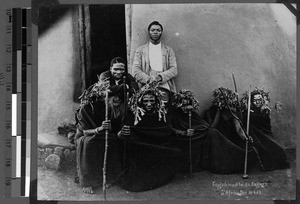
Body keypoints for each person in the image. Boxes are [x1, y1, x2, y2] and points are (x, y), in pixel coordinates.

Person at [116, 84, 184, 192]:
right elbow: (121, 134)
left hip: (158, 145)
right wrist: (121, 133)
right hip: (139, 147)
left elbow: (165, 132)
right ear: (140, 101)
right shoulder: (132, 114)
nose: (148, 104)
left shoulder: (159, 114)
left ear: (156, 101)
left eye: (152, 101)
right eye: (145, 101)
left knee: (176, 152)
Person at [74, 80, 125, 194]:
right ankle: (87, 182)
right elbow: (85, 131)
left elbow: (115, 128)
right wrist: (100, 129)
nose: (102, 98)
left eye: (105, 96)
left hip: (103, 135)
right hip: (85, 136)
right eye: (100, 96)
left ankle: (107, 177)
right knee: (89, 143)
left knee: (113, 141)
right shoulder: (85, 108)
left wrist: (111, 129)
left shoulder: (110, 107)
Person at [202, 87, 256, 174]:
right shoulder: (209, 112)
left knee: (248, 151)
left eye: (225, 100)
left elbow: (238, 128)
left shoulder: (230, 113)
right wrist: (218, 111)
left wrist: (245, 138)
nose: (224, 103)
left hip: (228, 141)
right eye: (222, 100)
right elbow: (212, 128)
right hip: (217, 142)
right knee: (212, 132)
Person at [241, 90, 290, 171]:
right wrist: (250, 114)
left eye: (260, 99)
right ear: (251, 101)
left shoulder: (265, 110)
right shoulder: (248, 112)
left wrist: (264, 114)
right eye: (255, 100)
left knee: (279, 149)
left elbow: (267, 128)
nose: (258, 102)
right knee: (264, 150)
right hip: (255, 136)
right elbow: (247, 126)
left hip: (265, 135)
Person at [168, 89, 209, 173]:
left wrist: (194, 130)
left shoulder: (192, 114)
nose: (184, 105)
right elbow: (169, 127)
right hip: (179, 138)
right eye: (182, 103)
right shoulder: (173, 113)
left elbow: (204, 125)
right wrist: (182, 132)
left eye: (187, 102)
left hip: (193, 137)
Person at [132, 21, 178, 93]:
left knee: (165, 102)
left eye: (158, 30)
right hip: (146, 82)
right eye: (152, 30)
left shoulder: (169, 50)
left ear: (161, 32)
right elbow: (135, 70)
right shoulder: (140, 50)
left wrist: (160, 77)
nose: (155, 32)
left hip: (163, 82)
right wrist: (148, 79)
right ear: (149, 32)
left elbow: (174, 70)